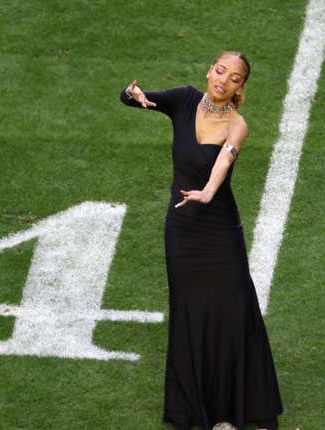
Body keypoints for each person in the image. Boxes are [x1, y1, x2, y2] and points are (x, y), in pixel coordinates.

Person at [120, 51, 283, 430]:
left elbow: (224, 162)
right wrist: (133, 94)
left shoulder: (237, 125)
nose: (224, 80)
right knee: (190, 314)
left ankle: (244, 409)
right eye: (220, 70)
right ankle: (194, 409)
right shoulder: (183, 99)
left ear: (241, 88)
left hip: (220, 231)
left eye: (235, 78)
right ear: (210, 70)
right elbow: (132, 97)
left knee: (235, 310)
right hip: (182, 230)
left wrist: (209, 191)